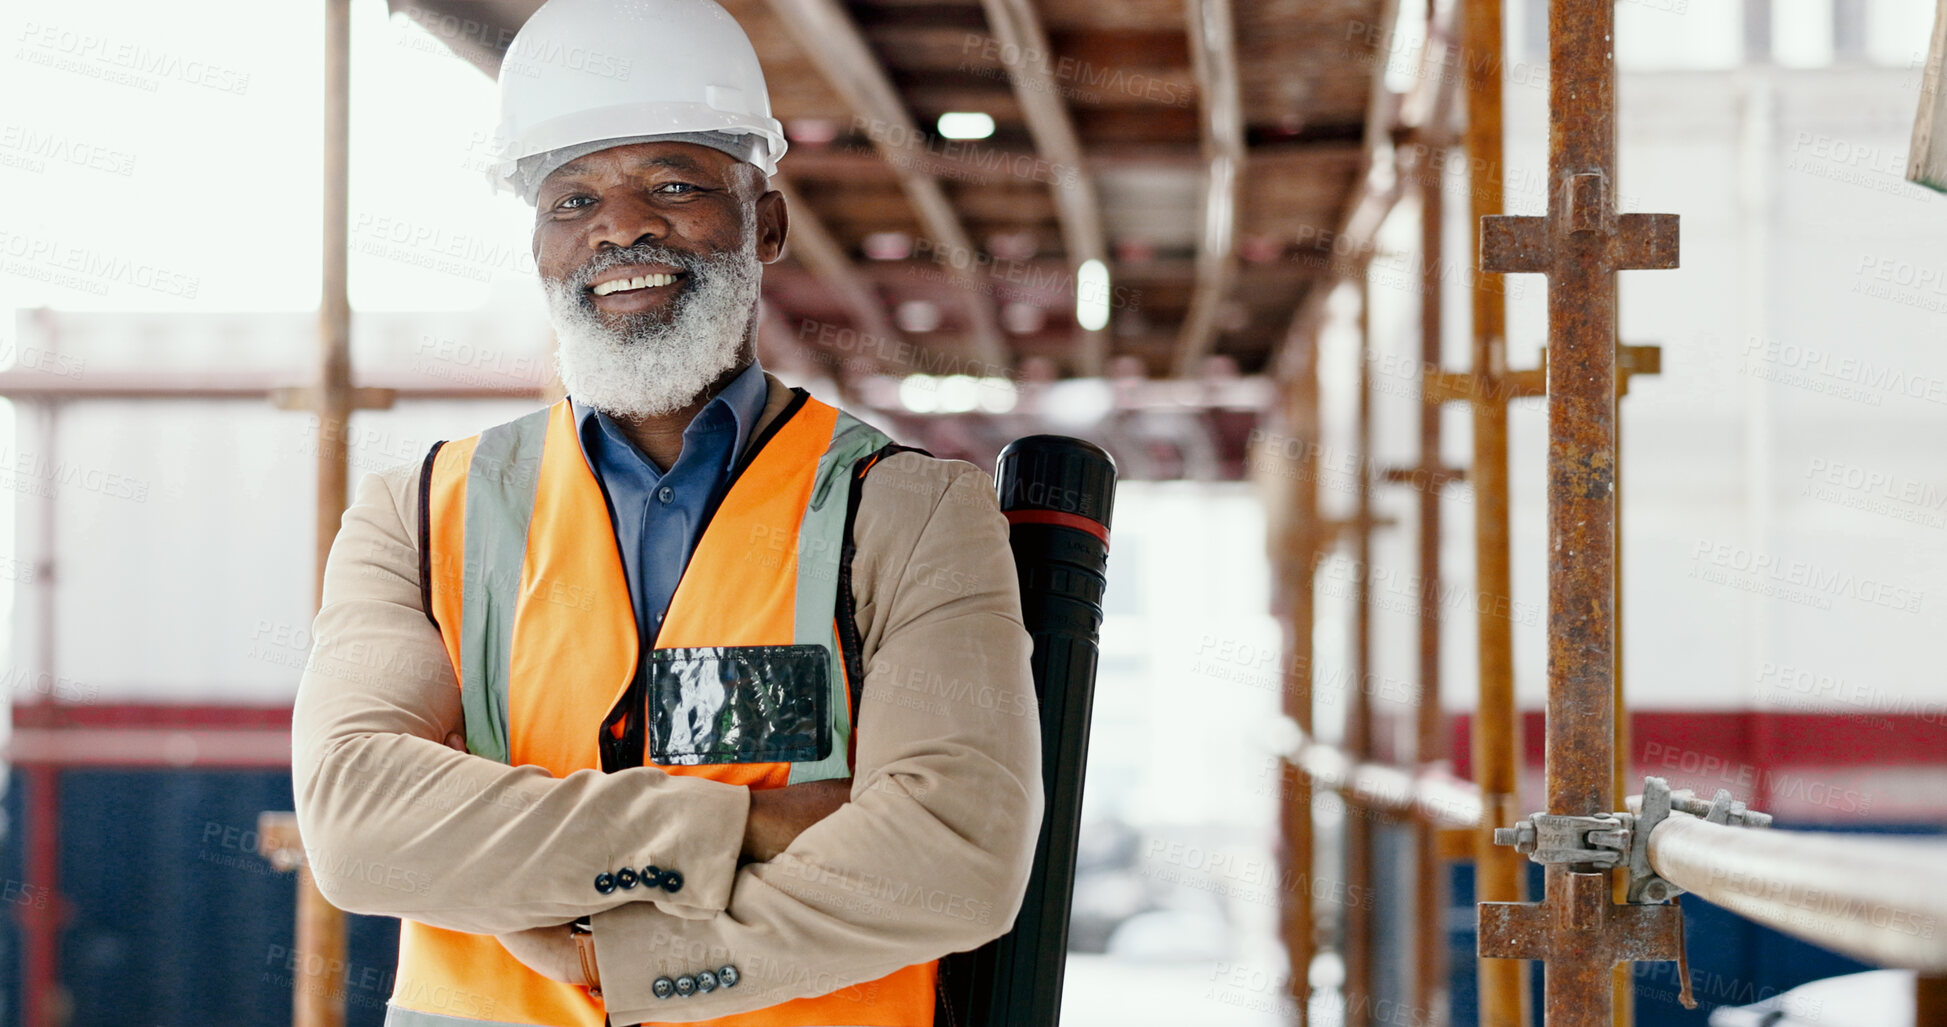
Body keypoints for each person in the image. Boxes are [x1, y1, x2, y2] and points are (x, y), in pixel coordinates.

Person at [289, 0, 1043, 1023]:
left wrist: (629, 956)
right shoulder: (417, 517)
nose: (623, 226)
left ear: (764, 222)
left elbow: (955, 855)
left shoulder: (909, 514)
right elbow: (358, 826)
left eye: (676, 184)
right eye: (572, 199)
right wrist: (747, 824)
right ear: (541, 246)